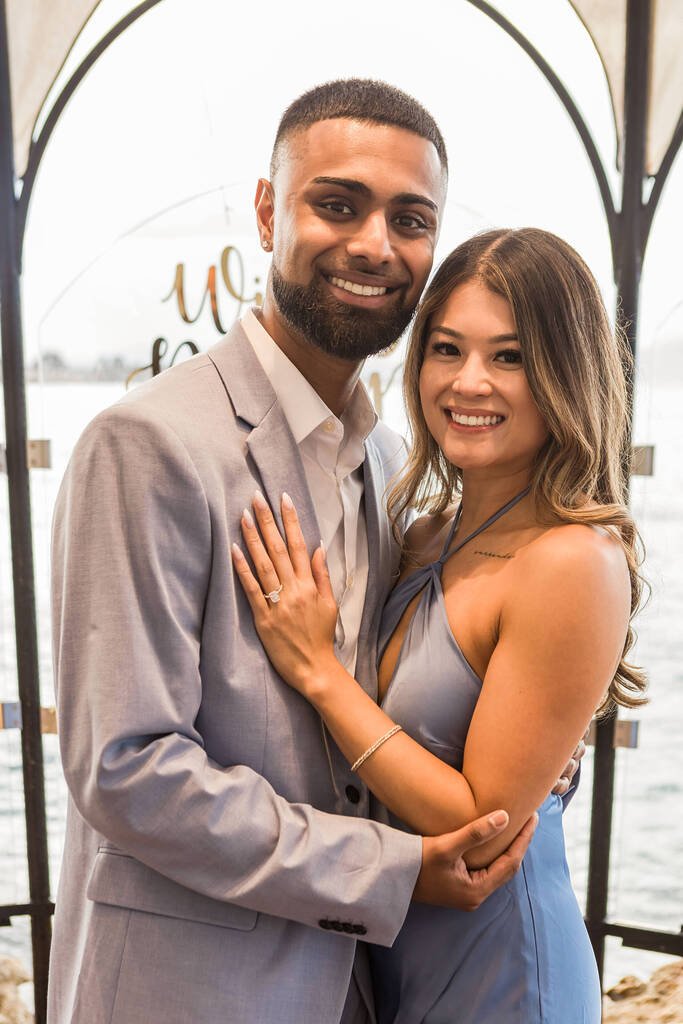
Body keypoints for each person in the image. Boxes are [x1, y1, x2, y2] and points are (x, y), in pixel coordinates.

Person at [48, 81, 579, 1024]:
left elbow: (395, 693)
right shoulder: (147, 444)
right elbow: (125, 770)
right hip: (191, 991)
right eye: (337, 203)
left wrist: (523, 747)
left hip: (362, 989)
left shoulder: (385, 456)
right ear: (266, 210)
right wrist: (395, 870)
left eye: (410, 219)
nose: (374, 244)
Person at [232, 227, 647, 1023]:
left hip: (502, 966)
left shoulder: (572, 560)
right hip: (390, 947)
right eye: (447, 349)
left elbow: (480, 823)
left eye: (509, 357)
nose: (468, 383)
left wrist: (317, 672)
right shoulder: (422, 531)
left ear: (567, 372)